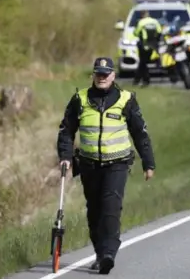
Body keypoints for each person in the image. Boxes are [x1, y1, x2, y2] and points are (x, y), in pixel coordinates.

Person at [56, 57, 156, 274]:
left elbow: (140, 133)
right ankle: (101, 254)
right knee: (94, 212)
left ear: (113, 75)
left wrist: (148, 163)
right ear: (93, 75)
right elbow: (66, 131)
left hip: (117, 164)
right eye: (98, 73)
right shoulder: (79, 99)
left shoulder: (126, 100)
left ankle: (109, 253)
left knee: (111, 208)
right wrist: (65, 156)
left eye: (106, 73)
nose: (102, 77)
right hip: (89, 165)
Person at [132, 10, 162, 87]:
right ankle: (138, 80)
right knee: (143, 62)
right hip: (153, 45)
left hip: (144, 45)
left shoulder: (141, 22)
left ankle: (144, 80)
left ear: (142, 15)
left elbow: (136, 33)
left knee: (143, 62)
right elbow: (159, 31)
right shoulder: (155, 21)